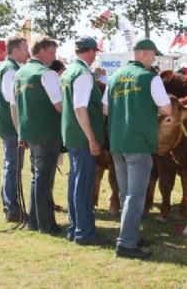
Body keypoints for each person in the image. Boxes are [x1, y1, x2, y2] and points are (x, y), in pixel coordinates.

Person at [102, 38, 171, 260]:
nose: (154, 59)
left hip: (117, 142)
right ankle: (127, 243)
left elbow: (105, 109)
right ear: (143, 53)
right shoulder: (150, 78)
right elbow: (167, 109)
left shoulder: (114, 78)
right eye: (153, 55)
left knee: (125, 194)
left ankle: (132, 235)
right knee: (135, 195)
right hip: (139, 143)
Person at [11, 35, 62, 234]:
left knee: (37, 177)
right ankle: (46, 224)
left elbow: (13, 106)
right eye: (51, 52)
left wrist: (19, 133)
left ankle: (34, 220)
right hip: (47, 132)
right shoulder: (47, 74)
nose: (53, 57)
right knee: (44, 180)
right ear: (41, 51)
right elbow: (59, 106)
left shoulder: (20, 73)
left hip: (29, 132)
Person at [61, 36, 104, 245]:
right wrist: (92, 139)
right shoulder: (83, 74)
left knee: (75, 183)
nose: (96, 55)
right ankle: (84, 232)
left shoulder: (70, 70)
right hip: (82, 137)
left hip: (71, 134)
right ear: (90, 51)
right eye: (95, 51)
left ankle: (74, 227)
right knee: (83, 185)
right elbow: (80, 108)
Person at [0, 36, 30, 222]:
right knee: (12, 166)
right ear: (15, 51)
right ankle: (12, 208)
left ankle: (10, 206)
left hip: (8, 125)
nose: (28, 52)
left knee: (10, 165)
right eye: (25, 48)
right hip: (11, 126)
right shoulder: (10, 70)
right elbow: (12, 100)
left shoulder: (10, 68)